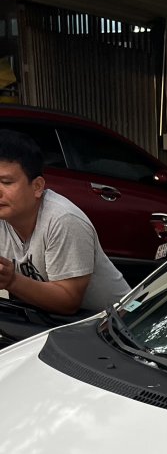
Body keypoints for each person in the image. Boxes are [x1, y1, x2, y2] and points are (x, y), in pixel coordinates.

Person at [0, 129, 129, 315]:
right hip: (48, 322)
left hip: (115, 322)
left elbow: (68, 301)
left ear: (37, 186)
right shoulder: (4, 218)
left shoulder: (62, 219)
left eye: (6, 182)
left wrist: (12, 280)